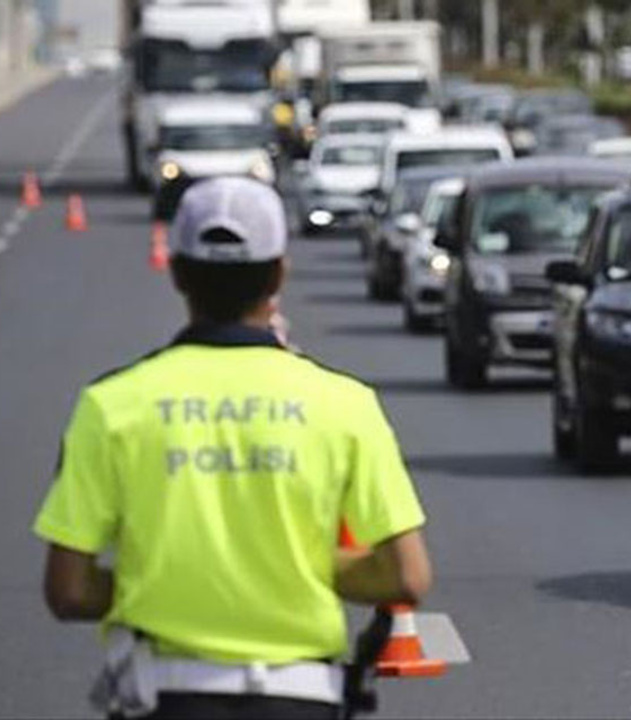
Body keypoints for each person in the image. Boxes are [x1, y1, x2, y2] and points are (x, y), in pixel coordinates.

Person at [33, 177, 432, 719]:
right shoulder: (345, 404)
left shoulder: (112, 405)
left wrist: (170, 579)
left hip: (163, 697)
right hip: (302, 696)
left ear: (176, 272)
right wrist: (291, 565)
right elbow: (406, 577)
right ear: (279, 275)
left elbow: (68, 590)